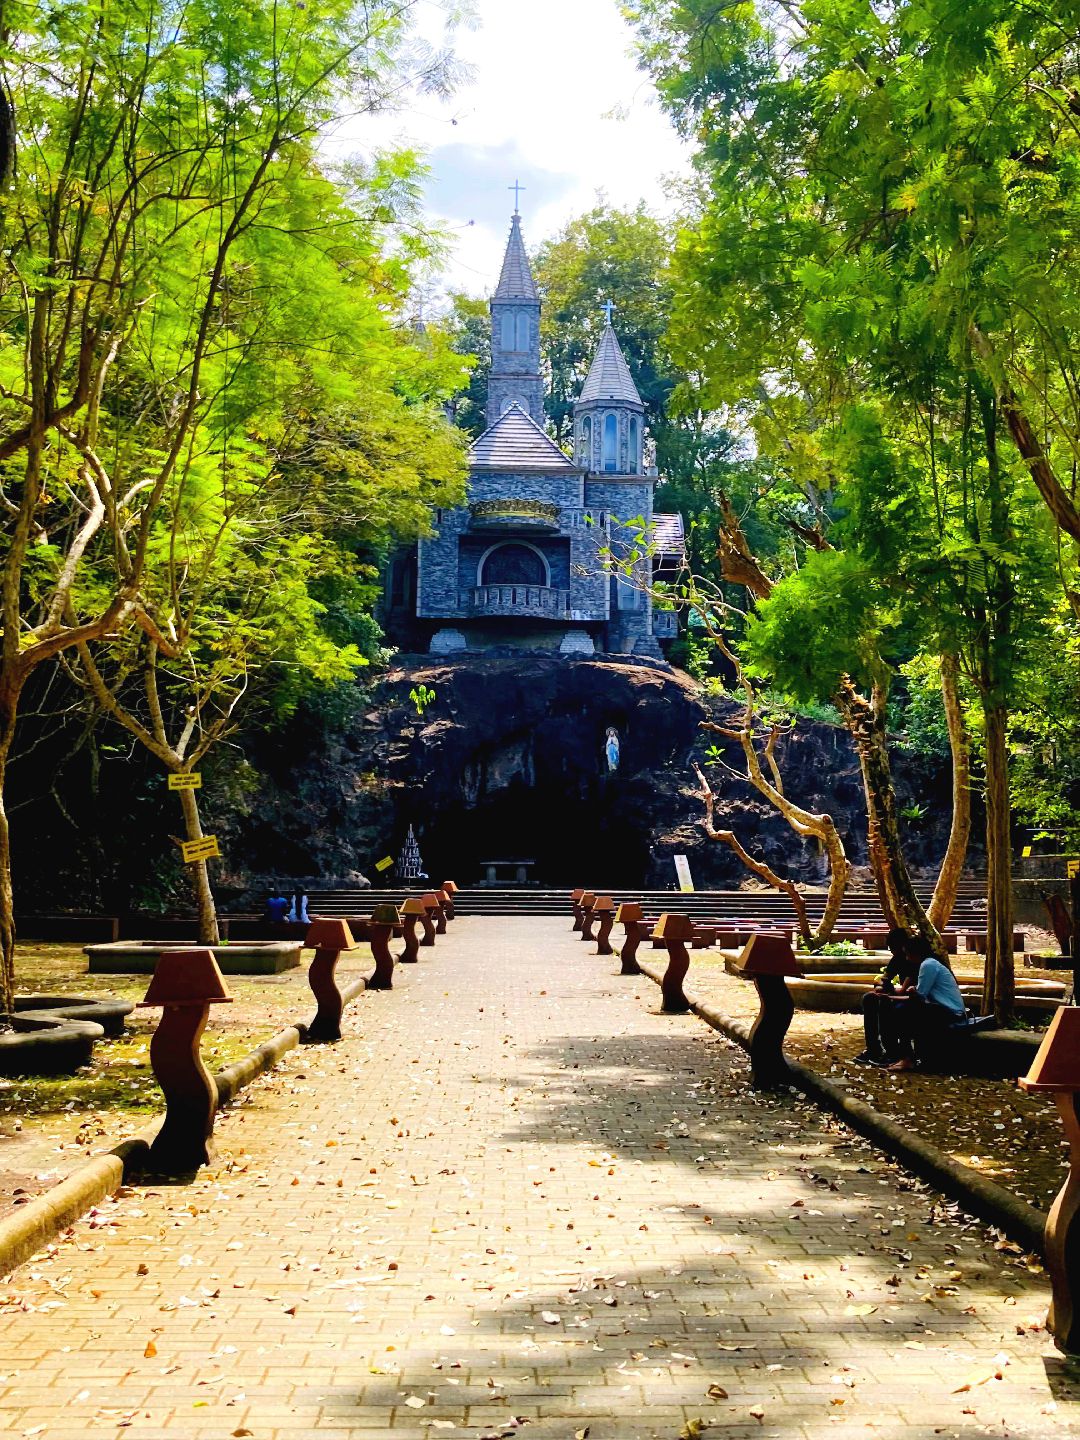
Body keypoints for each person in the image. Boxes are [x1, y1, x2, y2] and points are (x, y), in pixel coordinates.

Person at [887, 943, 970, 1071]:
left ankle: (907, 1058)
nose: (907, 958)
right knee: (902, 1008)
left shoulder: (928, 965)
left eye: (908, 955)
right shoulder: (930, 964)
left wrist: (897, 996)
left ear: (915, 954)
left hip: (951, 1012)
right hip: (942, 1009)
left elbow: (919, 996)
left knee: (902, 1011)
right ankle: (909, 1055)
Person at [856, 929, 918, 1065]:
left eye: (893, 948)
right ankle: (873, 1048)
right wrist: (882, 985)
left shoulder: (914, 960)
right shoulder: (897, 958)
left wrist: (888, 991)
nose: (892, 951)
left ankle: (892, 1051)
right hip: (900, 995)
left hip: (911, 998)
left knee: (885, 1003)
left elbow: (906, 989)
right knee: (869, 998)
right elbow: (884, 978)